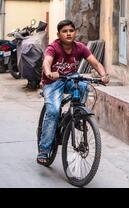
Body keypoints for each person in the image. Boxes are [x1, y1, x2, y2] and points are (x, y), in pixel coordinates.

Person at [36, 20, 109, 165]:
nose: (68, 33)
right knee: (53, 111)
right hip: (52, 82)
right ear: (59, 34)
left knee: (83, 86)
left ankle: (76, 114)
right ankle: (44, 150)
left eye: (71, 30)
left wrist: (103, 75)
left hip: (70, 79)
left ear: (75, 32)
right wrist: (49, 72)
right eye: (64, 31)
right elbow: (47, 62)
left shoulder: (80, 47)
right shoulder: (54, 47)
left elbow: (95, 63)